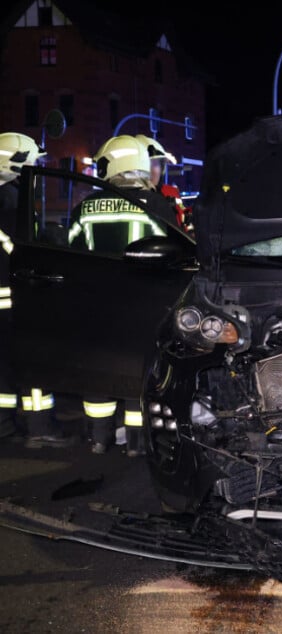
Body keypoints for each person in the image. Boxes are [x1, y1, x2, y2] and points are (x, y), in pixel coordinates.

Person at [68, 135, 178, 456]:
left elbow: (69, 251)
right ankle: (136, 443)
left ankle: (99, 439)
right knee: (138, 373)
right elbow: (178, 254)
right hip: (143, 305)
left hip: (96, 305)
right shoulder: (157, 205)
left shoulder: (85, 207)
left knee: (98, 371)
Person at [0, 132, 70, 448]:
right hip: (16, 298)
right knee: (34, 363)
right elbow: (24, 251)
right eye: (32, 165)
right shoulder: (13, 201)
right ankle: (40, 426)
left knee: (3, 366)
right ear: (15, 165)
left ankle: (4, 425)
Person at [135, 135, 193, 234]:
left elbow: (183, 215)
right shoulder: (126, 195)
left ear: (161, 168)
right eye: (146, 164)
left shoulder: (170, 192)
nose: (151, 170)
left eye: (155, 164)